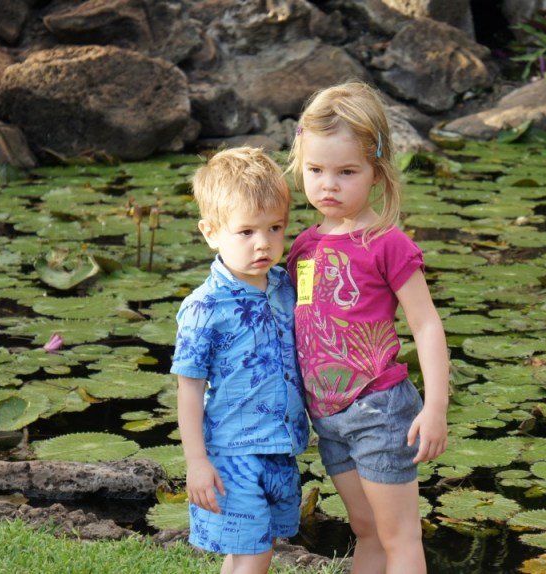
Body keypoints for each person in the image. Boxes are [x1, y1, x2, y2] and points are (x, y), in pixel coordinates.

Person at [286, 81, 451, 573]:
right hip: (328, 415)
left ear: (376, 172)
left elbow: (426, 326)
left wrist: (437, 406)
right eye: (315, 170)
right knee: (365, 529)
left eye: (346, 171)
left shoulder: (387, 242)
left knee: (400, 536)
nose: (328, 184)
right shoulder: (304, 246)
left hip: (380, 409)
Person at [171, 146, 310, 574]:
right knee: (255, 556)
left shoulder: (286, 287)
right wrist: (196, 461)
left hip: (281, 447)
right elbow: (189, 389)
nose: (263, 244)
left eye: (274, 229)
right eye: (246, 232)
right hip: (231, 452)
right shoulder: (204, 307)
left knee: (253, 544)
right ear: (211, 232)